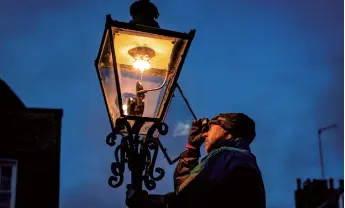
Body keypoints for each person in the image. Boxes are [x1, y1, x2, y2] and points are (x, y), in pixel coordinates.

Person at [167, 113, 266, 208]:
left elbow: (184, 196)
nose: (204, 134)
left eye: (209, 129)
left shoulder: (228, 156)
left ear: (226, 130)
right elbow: (184, 189)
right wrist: (192, 149)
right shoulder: (238, 157)